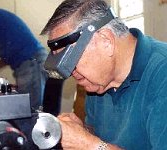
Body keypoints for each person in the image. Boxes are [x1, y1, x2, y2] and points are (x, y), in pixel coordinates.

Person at [41, 0, 167, 149]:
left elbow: (97, 145)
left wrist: (89, 145)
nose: (69, 72)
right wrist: (82, 132)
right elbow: (101, 136)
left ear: (106, 41)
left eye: (70, 61)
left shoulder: (162, 74)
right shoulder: (98, 82)